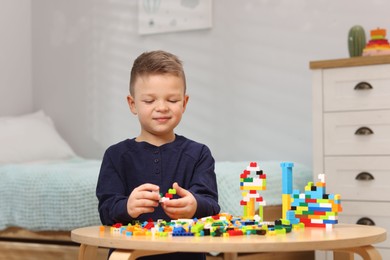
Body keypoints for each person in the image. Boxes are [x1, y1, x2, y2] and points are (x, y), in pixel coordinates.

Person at [96, 50, 220, 260]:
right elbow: (106, 210)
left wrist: (194, 205)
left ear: (184, 103)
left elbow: (212, 206)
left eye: (172, 100)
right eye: (149, 100)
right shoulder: (116, 156)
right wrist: (127, 207)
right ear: (133, 104)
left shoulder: (199, 154)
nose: (161, 107)